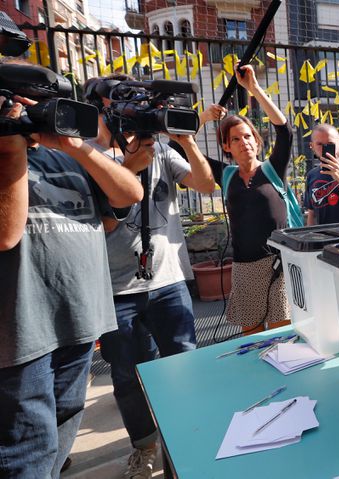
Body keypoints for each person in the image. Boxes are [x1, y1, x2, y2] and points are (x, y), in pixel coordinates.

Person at [0, 83, 143, 478]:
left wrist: (74, 146)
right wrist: (12, 142)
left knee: (59, 439)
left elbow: (129, 192)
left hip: (77, 324)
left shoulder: (68, 156)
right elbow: (6, 234)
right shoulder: (4, 154)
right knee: (25, 453)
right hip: (22, 335)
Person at [83, 73, 216, 478]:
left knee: (184, 366)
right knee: (127, 376)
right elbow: (99, 224)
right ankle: (145, 447)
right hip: (115, 289)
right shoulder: (86, 153)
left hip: (168, 283)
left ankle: (187, 444)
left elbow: (207, 185)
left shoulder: (162, 152)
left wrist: (187, 139)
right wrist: (127, 166)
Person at [214, 65, 293, 330]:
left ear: (257, 142)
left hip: (279, 264)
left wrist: (254, 89)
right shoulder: (225, 175)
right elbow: (179, 146)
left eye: (248, 136)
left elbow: (285, 131)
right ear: (226, 146)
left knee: (283, 333)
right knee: (252, 336)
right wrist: (203, 117)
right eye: (235, 139)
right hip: (245, 268)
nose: (244, 142)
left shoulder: (272, 169)